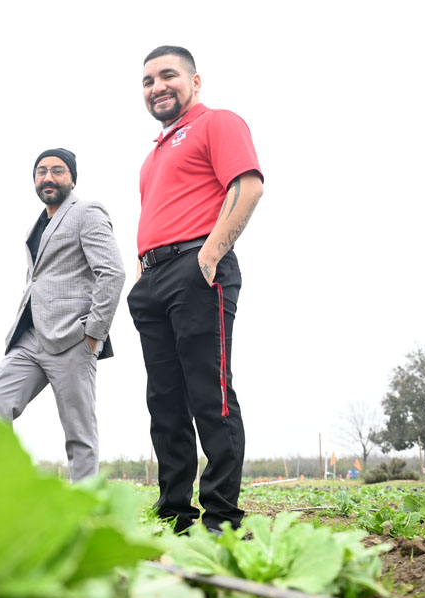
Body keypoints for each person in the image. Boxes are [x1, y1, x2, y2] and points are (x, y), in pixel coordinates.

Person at [127, 46, 263, 534]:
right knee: (164, 403)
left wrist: (208, 258)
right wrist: (141, 277)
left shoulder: (217, 123)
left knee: (210, 395)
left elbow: (247, 186)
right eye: (147, 81)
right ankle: (174, 515)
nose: (157, 86)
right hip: (153, 281)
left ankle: (222, 518)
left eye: (168, 76)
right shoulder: (152, 156)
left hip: (198, 270)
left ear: (195, 81)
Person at [0, 149, 125, 480]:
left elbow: (112, 273)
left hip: (72, 338)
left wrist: (92, 334)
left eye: (58, 171)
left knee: (79, 431)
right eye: (41, 171)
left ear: (72, 179)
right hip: (30, 336)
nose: (48, 177)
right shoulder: (39, 223)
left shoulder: (87, 212)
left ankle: (83, 510)